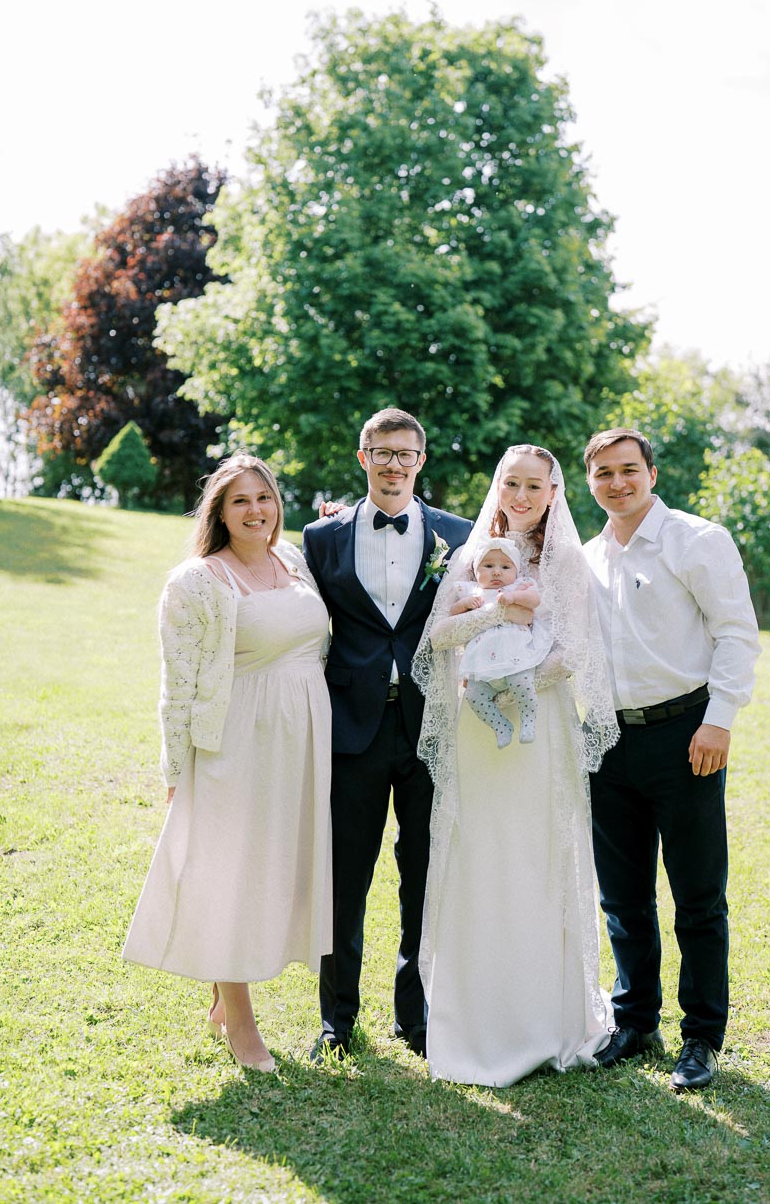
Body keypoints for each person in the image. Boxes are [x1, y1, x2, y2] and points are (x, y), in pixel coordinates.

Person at [412, 444, 619, 1087]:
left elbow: (573, 652)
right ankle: (473, 1021)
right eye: (511, 484)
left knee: (535, 857)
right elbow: (438, 639)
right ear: (497, 488)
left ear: (554, 492)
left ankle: (541, 1019)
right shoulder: (474, 554)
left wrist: (514, 668)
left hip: (538, 732)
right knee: (480, 856)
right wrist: (495, 617)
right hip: (478, 735)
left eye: (534, 485)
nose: (522, 496)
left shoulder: (566, 561)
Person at [123, 454, 332, 1075]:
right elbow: (177, 684)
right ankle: (240, 1023)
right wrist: (175, 769)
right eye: (240, 501)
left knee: (273, 870)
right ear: (218, 511)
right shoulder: (196, 581)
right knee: (229, 875)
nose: (256, 511)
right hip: (235, 743)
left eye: (264, 498)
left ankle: (221, 999)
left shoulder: (292, 561)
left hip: (300, 743)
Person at [582, 427, 761, 1092]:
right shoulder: (588, 556)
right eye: (604, 474)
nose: (618, 483)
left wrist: (719, 722)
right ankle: (634, 1020)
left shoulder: (697, 540)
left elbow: (737, 633)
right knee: (623, 898)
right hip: (608, 740)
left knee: (697, 896)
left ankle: (701, 1036)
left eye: (629, 470)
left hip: (686, 734)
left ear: (651, 473)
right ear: (592, 482)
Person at [301, 408, 471, 1061]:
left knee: (424, 873)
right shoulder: (320, 539)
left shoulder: (457, 535)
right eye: (382, 452)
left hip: (432, 727)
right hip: (352, 729)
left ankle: (416, 1013)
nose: (394, 464)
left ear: (421, 461)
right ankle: (336, 1018)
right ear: (362, 456)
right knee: (344, 878)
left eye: (406, 454)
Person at [450, 536, 551, 748]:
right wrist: (464, 604)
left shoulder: (520, 586)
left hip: (514, 657)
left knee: (522, 684)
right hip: (482, 663)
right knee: (474, 696)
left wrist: (514, 598)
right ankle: (500, 725)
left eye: (505, 566)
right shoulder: (472, 591)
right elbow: (452, 615)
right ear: (476, 571)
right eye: (488, 566)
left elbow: (535, 600)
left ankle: (528, 717)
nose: (496, 572)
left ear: (515, 571)